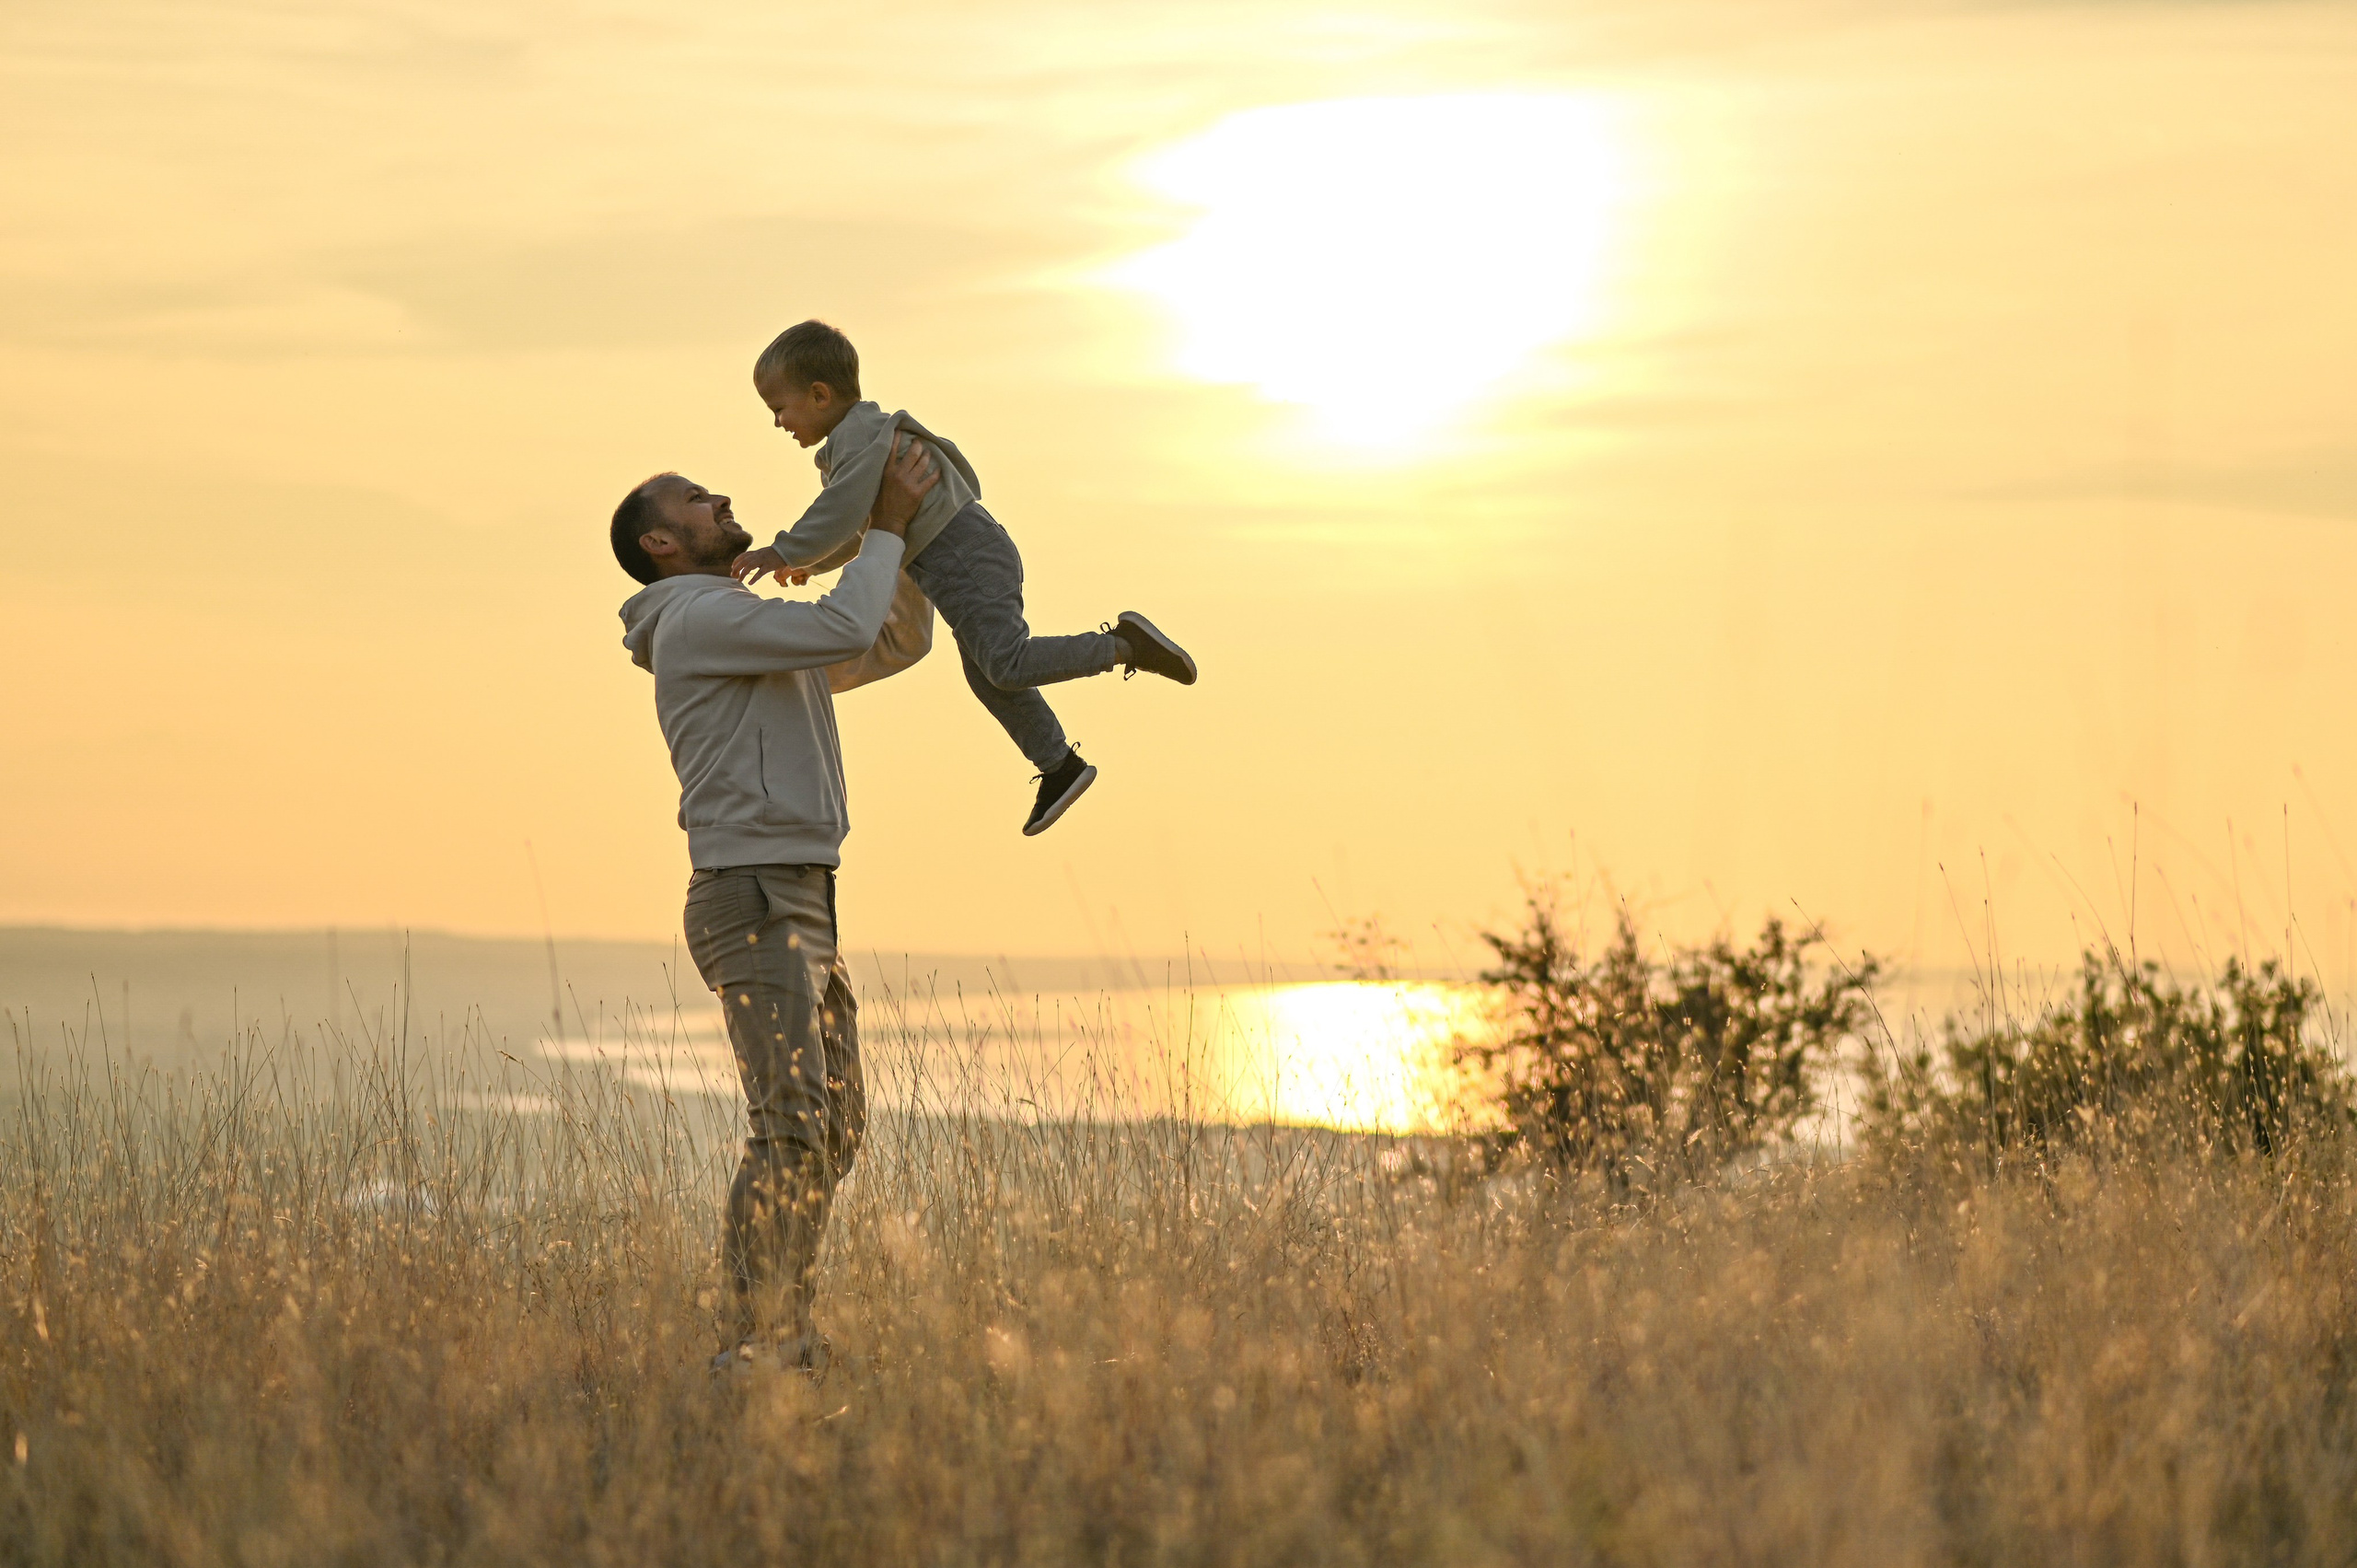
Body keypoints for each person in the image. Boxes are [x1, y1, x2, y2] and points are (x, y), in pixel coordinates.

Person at [610, 436, 940, 1375]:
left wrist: (912, 538)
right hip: (751, 892)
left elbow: (886, 637)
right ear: (663, 545)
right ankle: (756, 1343)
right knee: (792, 1120)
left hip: (799, 891)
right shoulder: (694, 619)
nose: (717, 498)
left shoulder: (744, 628)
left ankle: (780, 1329)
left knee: (833, 1126)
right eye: (693, 499)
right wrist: (879, 523)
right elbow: (842, 626)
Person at [728, 319, 1200, 837]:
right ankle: (1059, 765)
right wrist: (811, 564)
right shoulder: (857, 443)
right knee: (989, 674)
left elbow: (839, 510)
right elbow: (865, 524)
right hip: (957, 565)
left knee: (1005, 661)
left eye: (779, 409)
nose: (778, 423)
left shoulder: (858, 438)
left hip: (967, 557)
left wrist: (784, 549)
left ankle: (1125, 647)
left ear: (819, 395)